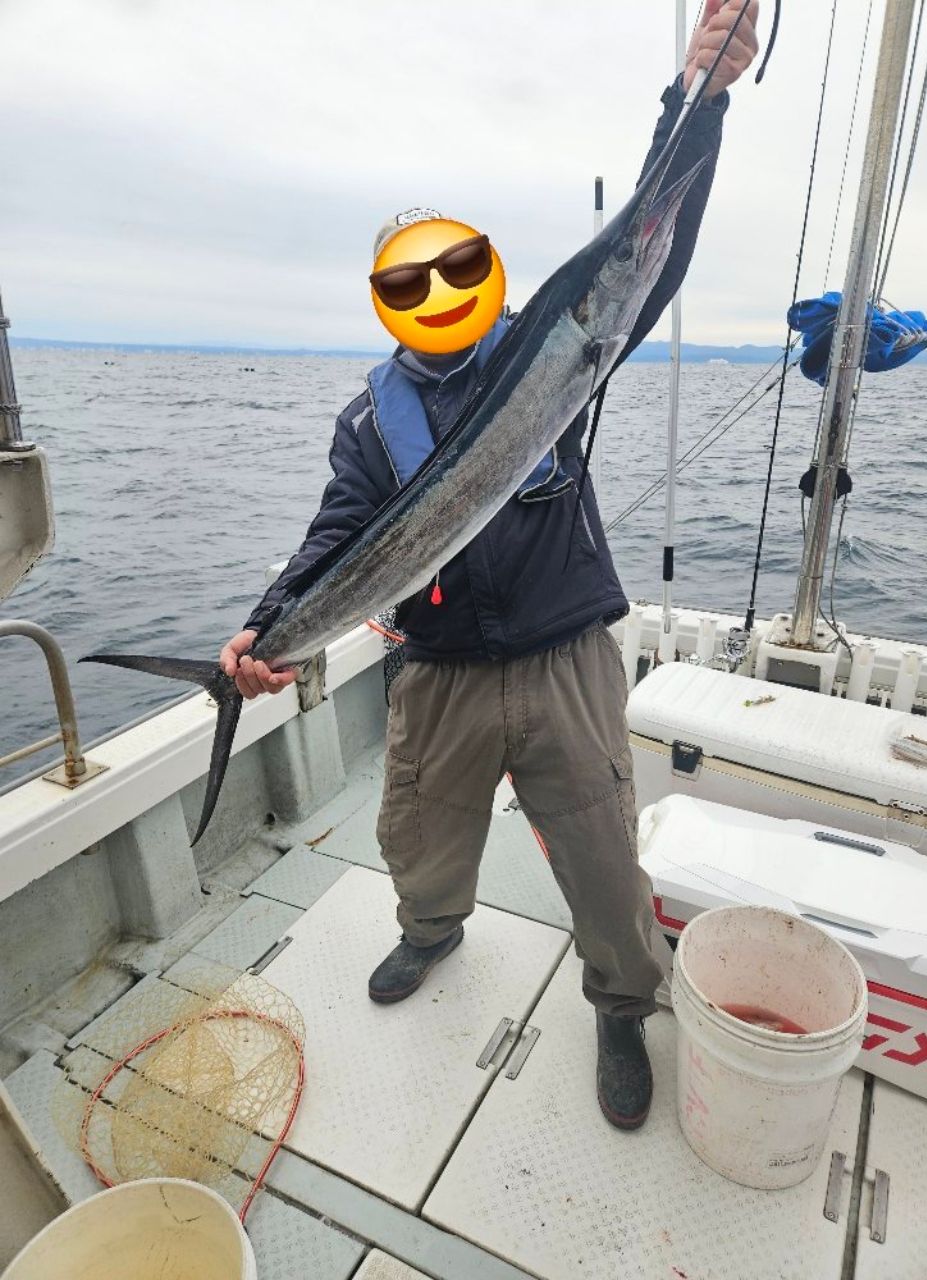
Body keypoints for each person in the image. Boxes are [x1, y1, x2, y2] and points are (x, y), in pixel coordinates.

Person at [221, 1, 759, 1130]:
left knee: (605, 859)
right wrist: (268, 629)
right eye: (410, 279)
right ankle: (431, 932)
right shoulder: (367, 423)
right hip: (440, 673)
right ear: (388, 301)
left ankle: (622, 1002)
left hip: (565, 659)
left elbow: (648, 250)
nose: (438, 288)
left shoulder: (555, 345)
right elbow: (337, 536)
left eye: (455, 265)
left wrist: (696, 104)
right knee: (419, 838)